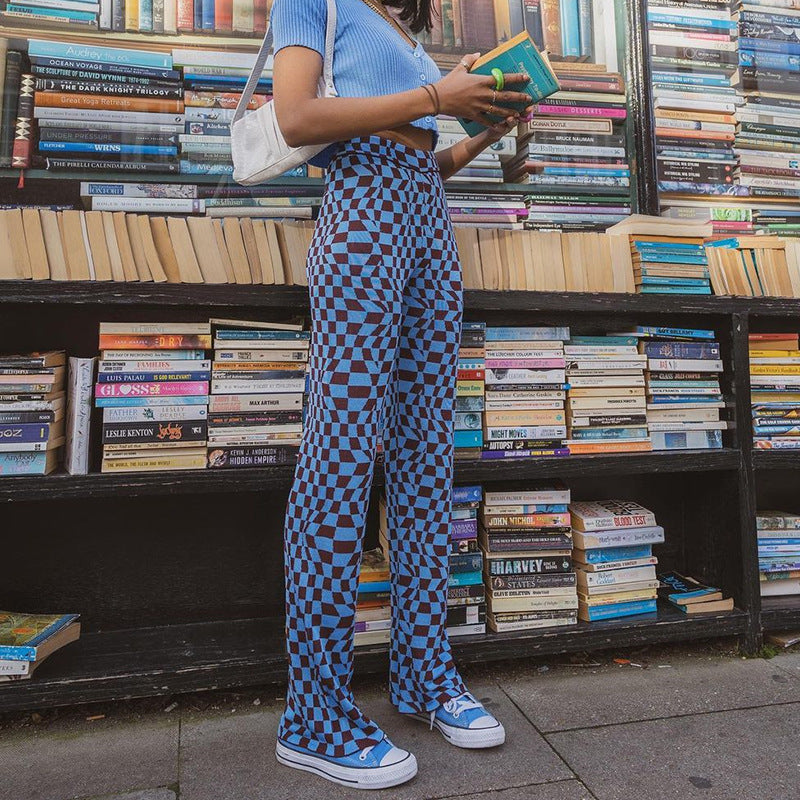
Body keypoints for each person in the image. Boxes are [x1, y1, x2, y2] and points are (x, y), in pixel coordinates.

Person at [270, 0, 532, 789]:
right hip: (361, 226)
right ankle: (313, 713)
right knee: (340, 460)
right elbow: (295, 117)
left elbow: (424, 160)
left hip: (426, 226)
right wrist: (435, 99)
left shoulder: (406, 35)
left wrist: (485, 133)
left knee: (426, 463)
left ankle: (423, 673)